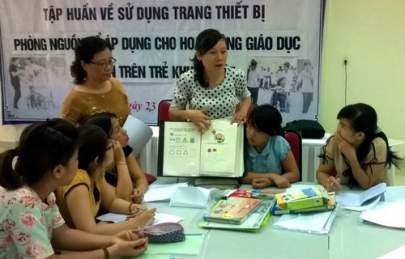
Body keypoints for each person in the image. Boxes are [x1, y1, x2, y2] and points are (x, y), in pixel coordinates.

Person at [0, 119, 148, 258]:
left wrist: (113, 240)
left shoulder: (46, 192)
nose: (78, 163)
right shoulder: (23, 202)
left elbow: (62, 235)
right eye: (75, 159)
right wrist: (111, 252)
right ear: (58, 171)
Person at [56, 124, 155, 235]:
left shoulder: (96, 173)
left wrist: (133, 208)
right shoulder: (78, 183)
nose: (115, 148)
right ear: (97, 160)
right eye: (109, 147)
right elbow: (89, 231)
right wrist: (134, 223)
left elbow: (111, 202)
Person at [169, 28, 251, 131]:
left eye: (223, 52)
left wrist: (242, 112)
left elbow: (246, 97)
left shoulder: (236, 75)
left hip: (227, 134)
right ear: (199, 55)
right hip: (198, 134)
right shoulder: (187, 79)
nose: (220, 57)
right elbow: (173, 113)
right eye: (213, 53)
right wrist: (189, 114)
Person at [317, 103, 401, 191]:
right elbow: (321, 172)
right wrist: (328, 182)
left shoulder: (378, 144)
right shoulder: (335, 140)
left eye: (343, 125)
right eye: (339, 123)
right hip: (347, 196)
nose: (337, 129)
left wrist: (351, 157)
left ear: (359, 135)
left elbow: (367, 184)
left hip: (376, 197)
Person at [61, 36, 130, 126]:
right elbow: (65, 135)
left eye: (110, 61)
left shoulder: (116, 85)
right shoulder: (75, 98)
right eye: (102, 63)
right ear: (84, 64)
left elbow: (127, 117)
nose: (108, 68)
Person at [82, 112, 148, 203]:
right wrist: (120, 161)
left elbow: (140, 178)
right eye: (117, 130)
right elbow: (124, 198)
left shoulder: (124, 148)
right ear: (105, 140)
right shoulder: (97, 167)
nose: (124, 131)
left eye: (121, 126)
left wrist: (139, 190)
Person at [241, 105, 299, 188]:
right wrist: (272, 176)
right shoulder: (241, 141)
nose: (251, 134)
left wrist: (270, 182)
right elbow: (238, 176)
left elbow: (294, 174)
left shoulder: (279, 143)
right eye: (250, 126)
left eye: (258, 131)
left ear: (272, 132)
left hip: (273, 192)